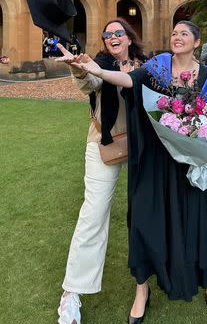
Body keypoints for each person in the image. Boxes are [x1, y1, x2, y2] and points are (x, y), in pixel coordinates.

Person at [75, 21, 207, 322]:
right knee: (145, 218)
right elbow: (130, 81)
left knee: (197, 218)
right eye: (173, 33)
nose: (176, 37)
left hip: (192, 162)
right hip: (156, 158)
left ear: (197, 42)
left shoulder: (206, 76)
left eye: (184, 34)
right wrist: (99, 71)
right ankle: (142, 288)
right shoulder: (158, 66)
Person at [55, 18, 145, 324]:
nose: (113, 37)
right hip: (104, 142)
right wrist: (79, 67)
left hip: (141, 146)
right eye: (108, 35)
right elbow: (90, 83)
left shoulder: (144, 64)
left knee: (145, 212)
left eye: (119, 32)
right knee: (93, 214)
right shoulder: (99, 63)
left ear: (130, 38)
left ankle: (146, 281)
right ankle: (72, 292)